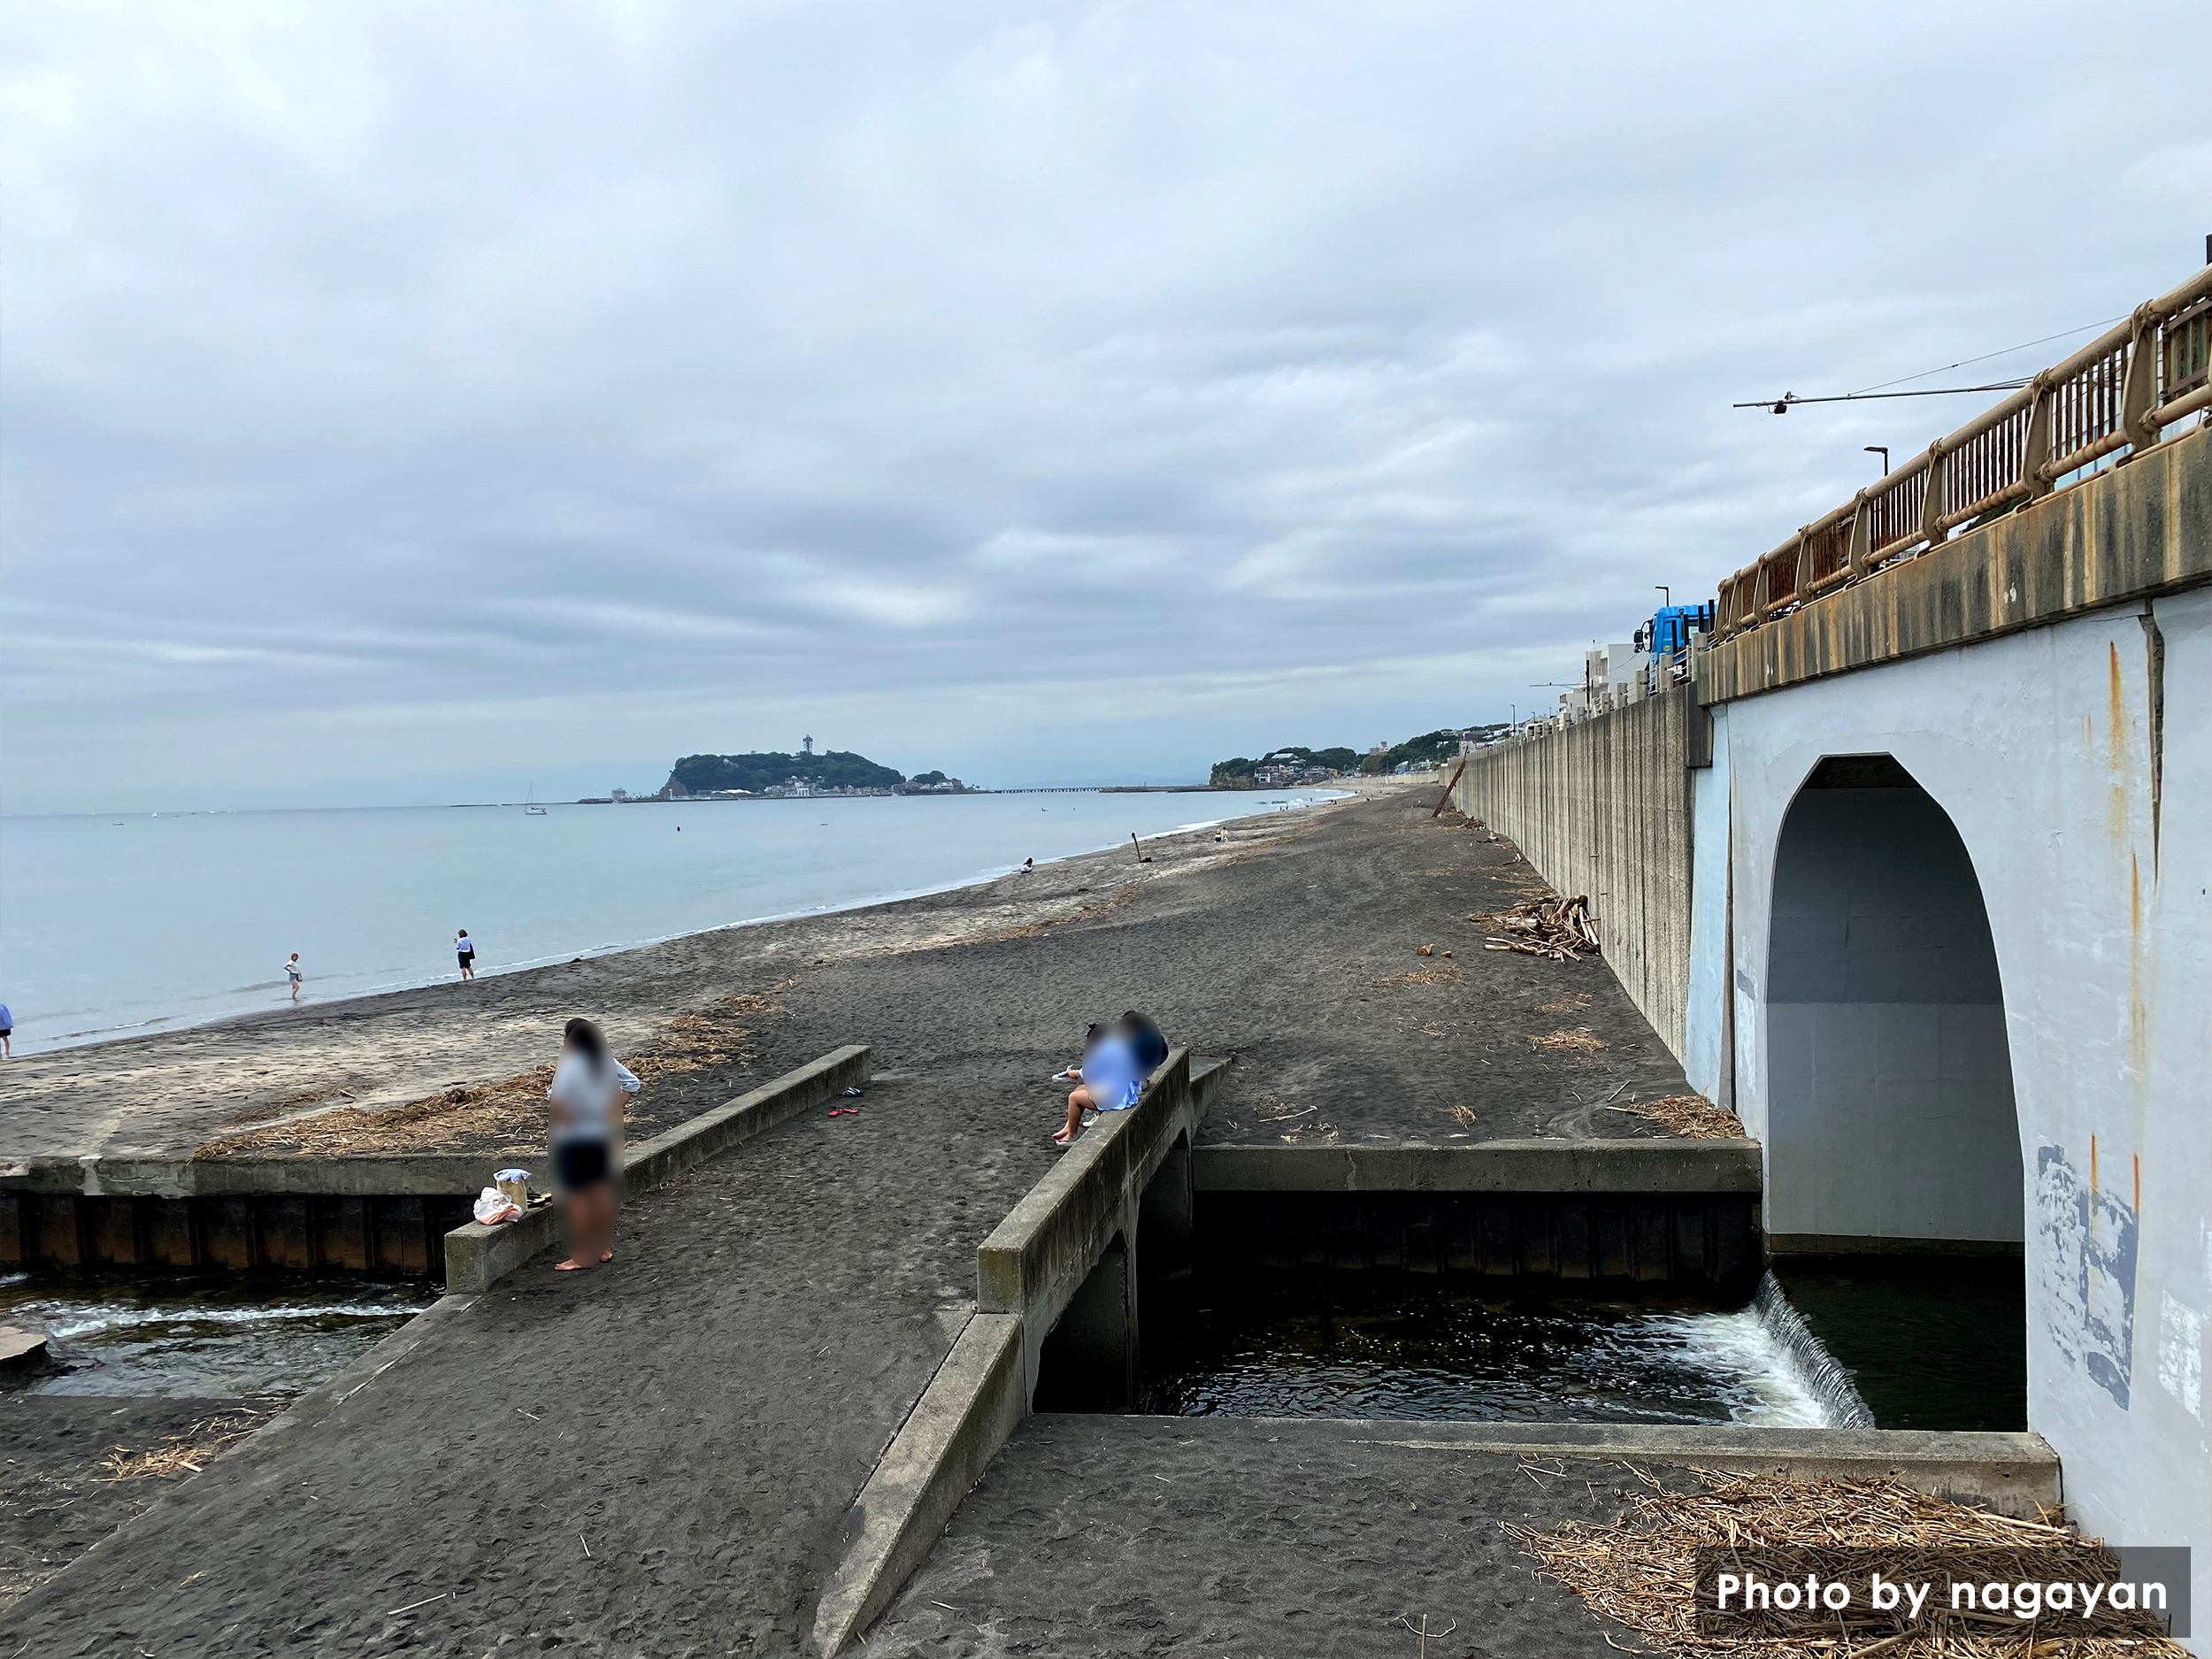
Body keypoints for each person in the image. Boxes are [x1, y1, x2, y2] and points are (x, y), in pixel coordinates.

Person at [546, 1017, 640, 1271]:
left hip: (575, 1140)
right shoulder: (606, 1060)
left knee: (577, 1197)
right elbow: (632, 1083)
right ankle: (604, 1248)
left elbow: (558, 1102)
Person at [1055, 1018, 1144, 1148]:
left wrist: (1073, 1073)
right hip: (1127, 1093)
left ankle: (1072, 1135)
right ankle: (1069, 1127)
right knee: (1080, 1089)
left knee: (1074, 1098)